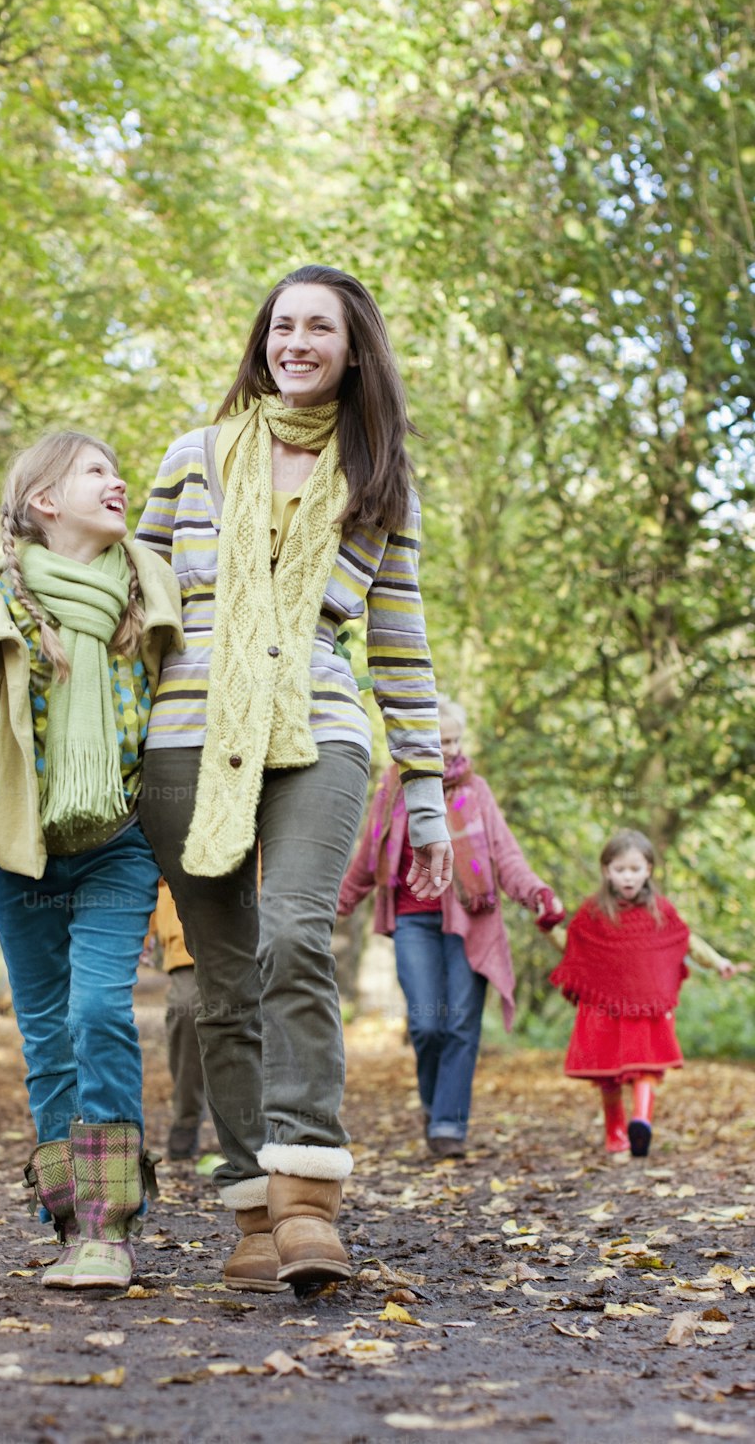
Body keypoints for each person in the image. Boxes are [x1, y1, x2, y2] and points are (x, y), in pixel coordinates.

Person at [135, 264, 453, 1296]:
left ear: (353, 347)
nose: (296, 341)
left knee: (295, 933)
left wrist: (426, 791)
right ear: (262, 340)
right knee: (219, 984)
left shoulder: (381, 482)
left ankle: (308, 1192)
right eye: (282, 325)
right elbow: (125, 595)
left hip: (318, 725)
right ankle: (250, 1211)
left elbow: (398, 646)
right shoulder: (194, 458)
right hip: (186, 730)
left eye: (319, 326)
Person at [0, 430, 183, 1290]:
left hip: (118, 845)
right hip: (21, 860)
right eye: (96, 472)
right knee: (46, 1042)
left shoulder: (151, 586)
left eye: (118, 467)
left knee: (99, 1012)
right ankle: (70, 1222)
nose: (118, 481)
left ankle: (112, 1225)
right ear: (44, 502)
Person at [339, 694, 566, 1159]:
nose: (451, 749)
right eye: (441, 741)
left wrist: (538, 893)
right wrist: (329, 906)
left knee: (461, 1024)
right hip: (411, 921)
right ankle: (433, 1104)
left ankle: (448, 1124)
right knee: (427, 1024)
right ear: (417, 742)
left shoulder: (474, 791)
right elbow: (366, 859)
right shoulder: (392, 790)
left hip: (471, 924)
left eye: (456, 740)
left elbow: (506, 857)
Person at [548, 829, 737, 1158]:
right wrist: (548, 927)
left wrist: (718, 961)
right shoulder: (593, 912)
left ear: (648, 869)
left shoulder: (660, 910)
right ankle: (614, 1131)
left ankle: (641, 1124)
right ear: (607, 870)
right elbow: (572, 946)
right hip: (605, 1005)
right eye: (620, 869)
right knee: (608, 1076)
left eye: (635, 869)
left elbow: (686, 942)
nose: (628, 876)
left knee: (646, 1066)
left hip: (646, 1007)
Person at [143, 879, 207, 1162]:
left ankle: (259, 1123)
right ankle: (187, 1117)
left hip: (254, 926)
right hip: (186, 939)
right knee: (186, 1011)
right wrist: (141, 933)